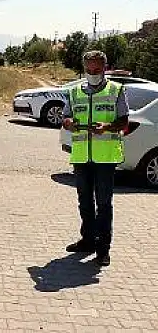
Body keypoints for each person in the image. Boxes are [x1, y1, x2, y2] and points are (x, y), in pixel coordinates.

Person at [61, 50, 129, 266]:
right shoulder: (74, 92)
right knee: (84, 202)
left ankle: (103, 249)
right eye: (89, 70)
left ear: (104, 68)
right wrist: (68, 122)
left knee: (104, 204)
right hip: (82, 156)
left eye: (97, 70)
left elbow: (124, 120)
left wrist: (107, 127)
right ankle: (87, 240)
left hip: (105, 157)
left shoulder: (116, 90)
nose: (92, 73)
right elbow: (65, 117)